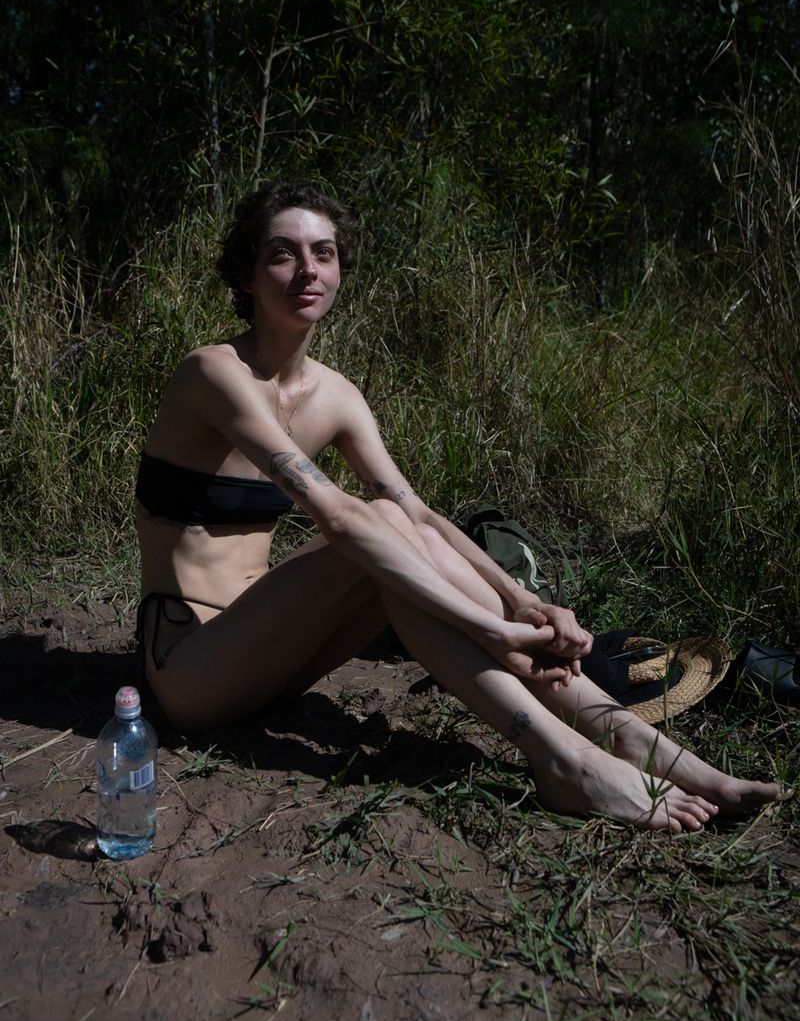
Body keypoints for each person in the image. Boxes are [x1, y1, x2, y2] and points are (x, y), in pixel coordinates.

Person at [135, 181, 780, 832]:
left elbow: (416, 513)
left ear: (339, 270)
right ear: (246, 273)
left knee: (402, 535)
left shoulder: (337, 396)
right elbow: (337, 516)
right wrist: (492, 629)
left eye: (323, 253)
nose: (308, 270)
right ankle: (568, 760)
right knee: (374, 529)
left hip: (275, 653)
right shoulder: (213, 373)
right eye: (283, 253)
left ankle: (631, 740)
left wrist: (519, 599)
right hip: (192, 669)